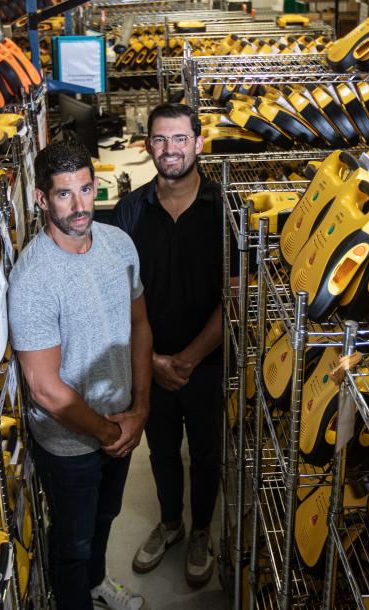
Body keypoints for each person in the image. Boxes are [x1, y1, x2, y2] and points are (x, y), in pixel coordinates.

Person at [8, 142, 153, 610]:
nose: (79, 205)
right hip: (70, 444)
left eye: (86, 189)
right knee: (71, 543)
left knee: (106, 517)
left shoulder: (119, 245)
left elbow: (139, 326)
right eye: (65, 194)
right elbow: (46, 390)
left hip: (121, 425)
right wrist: (111, 431)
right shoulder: (33, 279)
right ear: (41, 199)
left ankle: (96, 586)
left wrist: (141, 410)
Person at [113, 103, 225, 588]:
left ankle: (201, 529)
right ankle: (171, 524)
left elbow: (234, 295)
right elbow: (117, 295)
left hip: (208, 360)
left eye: (180, 139)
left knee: (206, 452)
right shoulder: (129, 211)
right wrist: (153, 361)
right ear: (147, 147)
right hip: (149, 363)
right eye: (160, 140)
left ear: (199, 144)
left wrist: (187, 359)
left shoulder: (226, 209)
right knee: (159, 450)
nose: (170, 149)